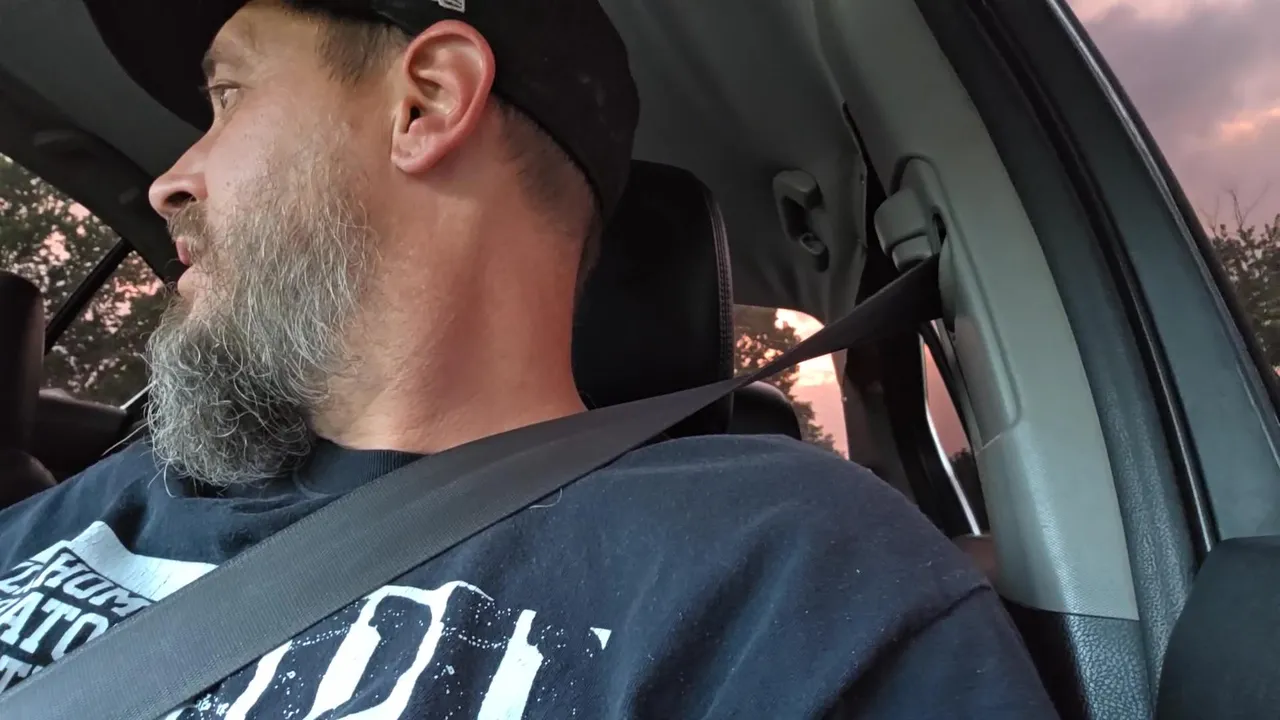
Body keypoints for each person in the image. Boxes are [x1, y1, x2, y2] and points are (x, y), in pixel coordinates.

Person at [0, 0, 1058, 716]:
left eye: (227, 96)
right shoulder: (113, 497)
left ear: (426, 102)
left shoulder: (786, 572)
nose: (170, 180)